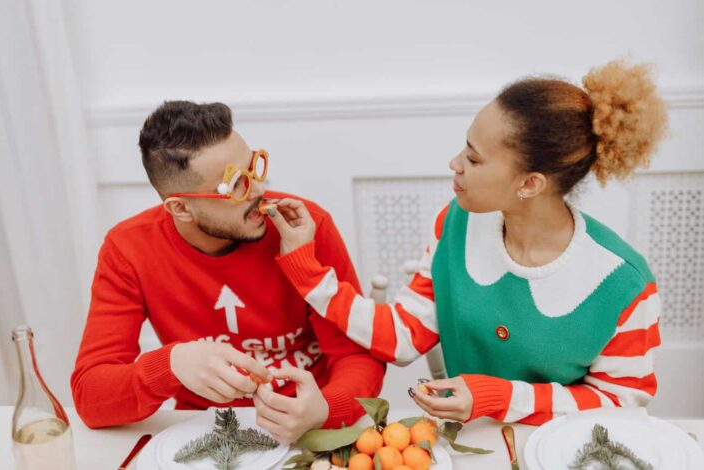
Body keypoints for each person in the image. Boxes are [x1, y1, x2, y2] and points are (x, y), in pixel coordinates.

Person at [266, 60, 668, 425]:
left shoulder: (625, 284)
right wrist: (307, 269)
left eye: (474, 159)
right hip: (471, 443)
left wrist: (500, 397)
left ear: (529, 183)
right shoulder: (456, 223)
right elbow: (404, 336)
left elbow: (621, 403)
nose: (455, 164)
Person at [70, 101, 385, 442]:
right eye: (236, 185)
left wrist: (325, 408)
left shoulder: (306, 225)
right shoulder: (128, 249)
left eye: (255, 168)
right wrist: (171, 364)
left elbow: (357, 356)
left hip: (309, 431)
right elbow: (91, 397)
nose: (260, 191)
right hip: (206, 434)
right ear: (181, 208)